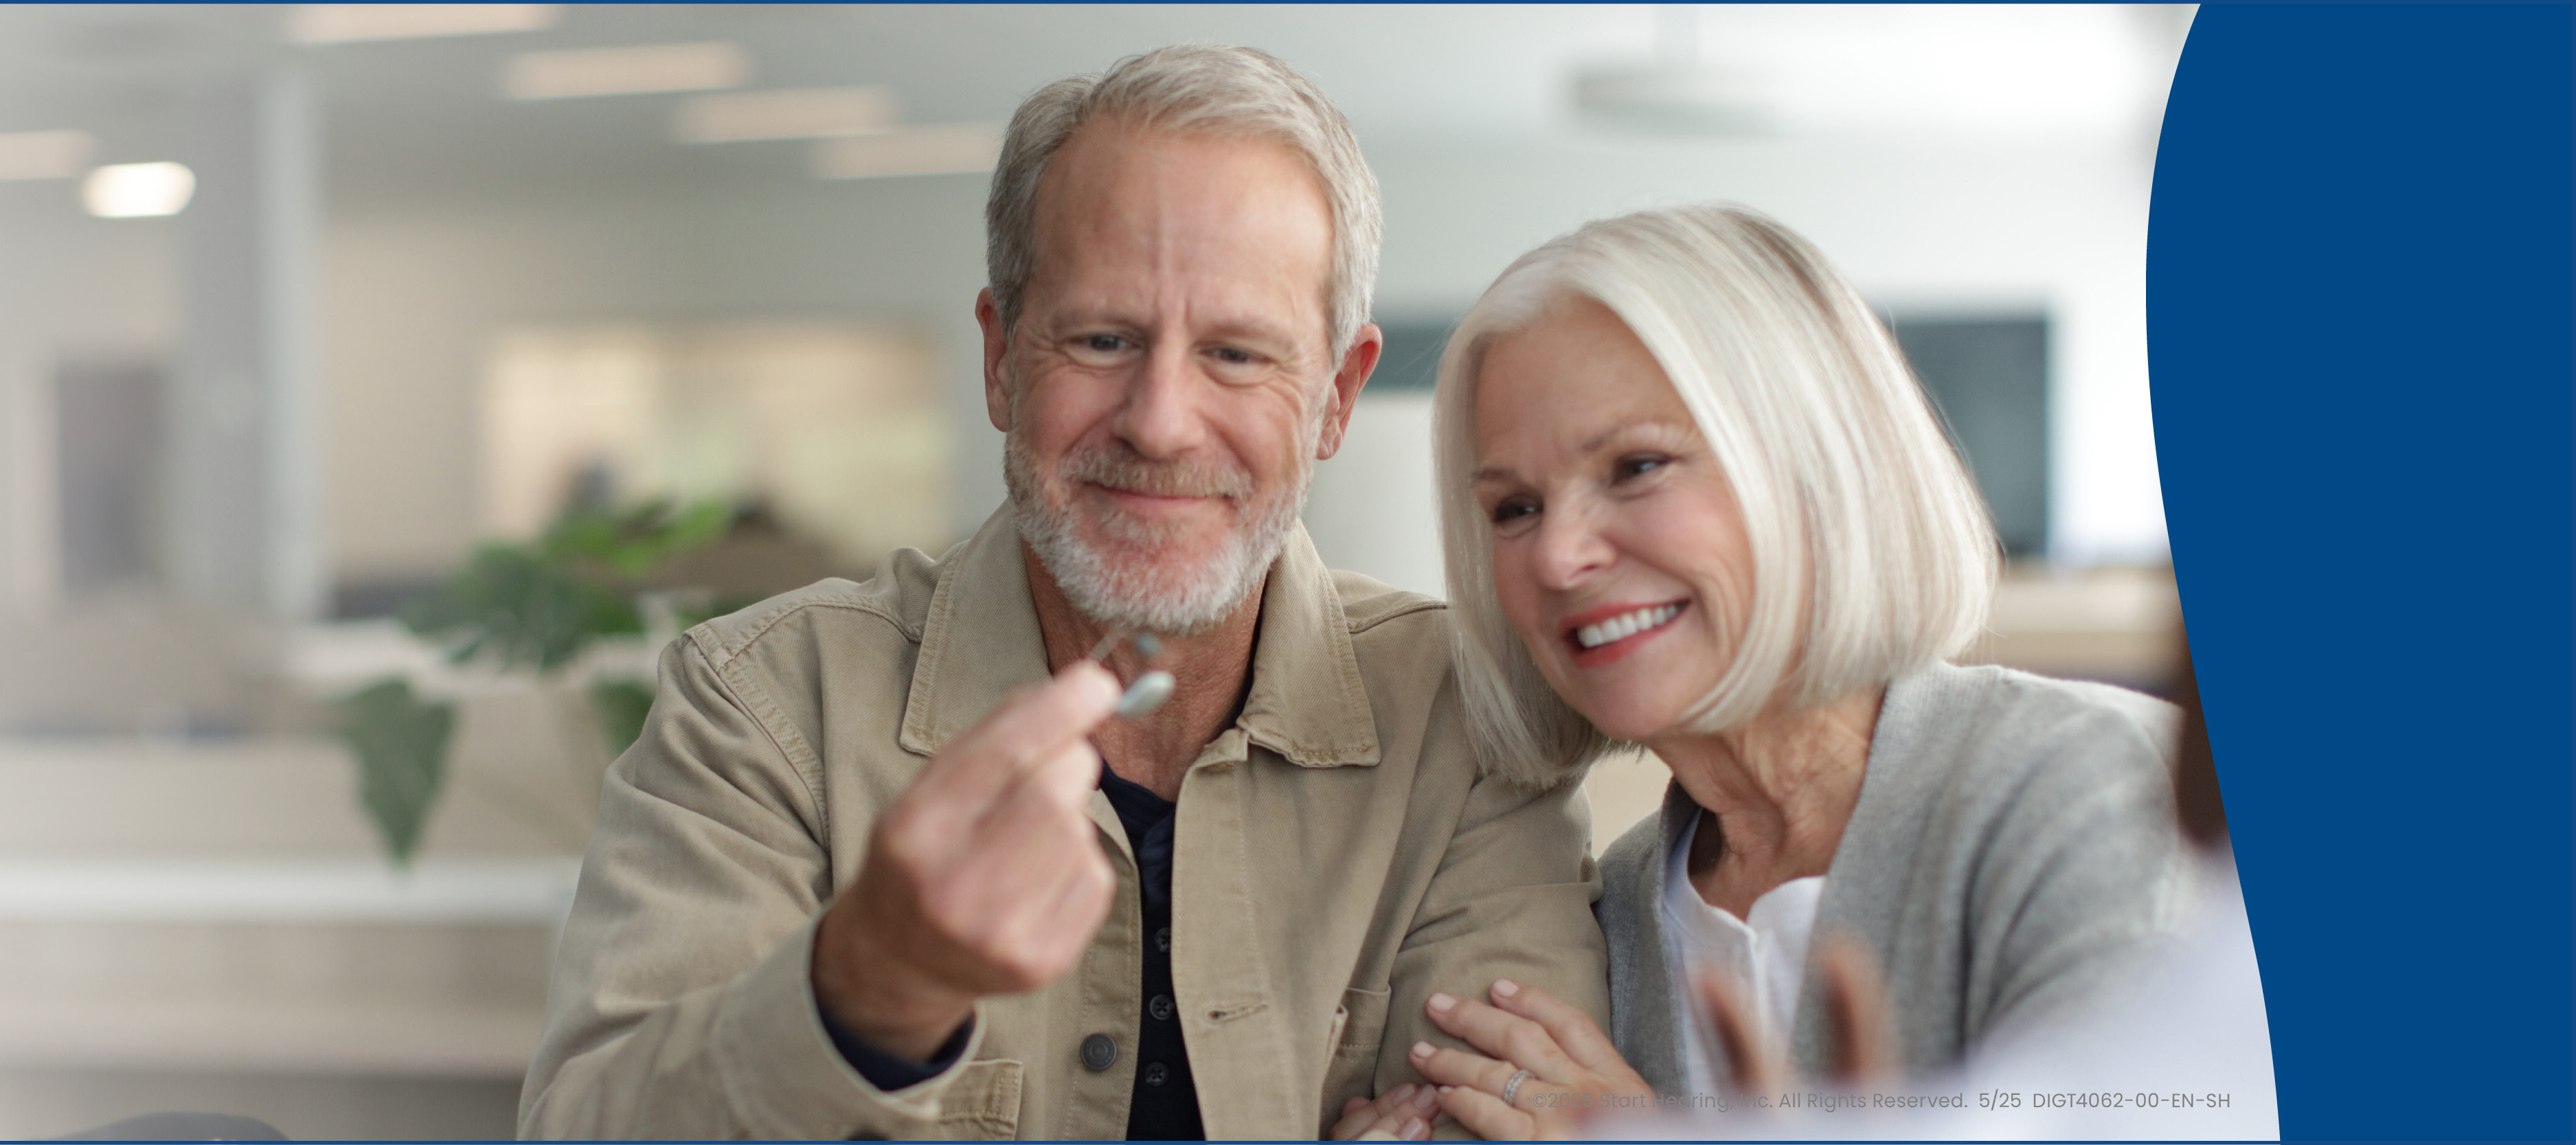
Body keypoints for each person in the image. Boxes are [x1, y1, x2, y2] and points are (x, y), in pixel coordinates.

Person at [517, 46, 1608, 1140]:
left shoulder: (1467, 724)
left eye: (1235, 353)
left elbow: (1515, 1120)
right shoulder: (763, 710)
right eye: (1101, 339)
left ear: (1336, 399)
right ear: (1001, 361)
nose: (1160, 421)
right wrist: (867, 986)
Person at [1335, 204, 2184, 1140]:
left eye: (1637, 466)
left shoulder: (2088, 785)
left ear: (1818, 469)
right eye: (1514, 509)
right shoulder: (1606, 908)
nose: (1557, 557)